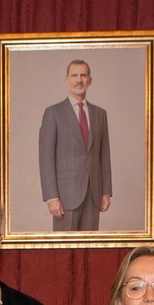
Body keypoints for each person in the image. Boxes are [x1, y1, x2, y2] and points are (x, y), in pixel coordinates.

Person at [38, 59, 112, 232]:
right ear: (67, 80)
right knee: (65, 253)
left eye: (83, 75)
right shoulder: (53, 113)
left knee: (90, 251)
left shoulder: (100, 114)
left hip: (94, 194)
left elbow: (104, 154)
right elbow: (46, 157)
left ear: (90, 80)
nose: (79, 80)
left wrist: (106, 191)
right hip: (65, 197)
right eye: (74, 75)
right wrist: (51, 197)